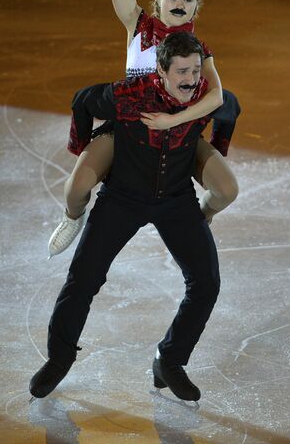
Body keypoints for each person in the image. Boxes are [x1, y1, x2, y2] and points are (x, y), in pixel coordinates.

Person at [30, 32, 222, 402]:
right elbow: (82, 100)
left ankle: (170, 360)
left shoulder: (203, 97)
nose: (191, 79)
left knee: (206, 283)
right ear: (161, 71)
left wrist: (215, 153)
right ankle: (59, 358)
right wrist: (86, 148)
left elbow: (227, 108)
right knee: (83, 278)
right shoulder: (128, 95)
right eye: (182, 71)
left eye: (196, 70)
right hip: (123, 198)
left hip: (177, 200)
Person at [47, 0, 240, 258]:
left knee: (226, 189)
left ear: (196, 8)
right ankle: (73, 218)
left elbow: (217, 96)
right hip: (128, 131)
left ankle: (199, 220)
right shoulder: (138, 26)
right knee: (75, 188)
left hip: (178, 136)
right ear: (158, 1)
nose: (179, 4)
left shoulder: (198, 50)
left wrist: (172, 121)